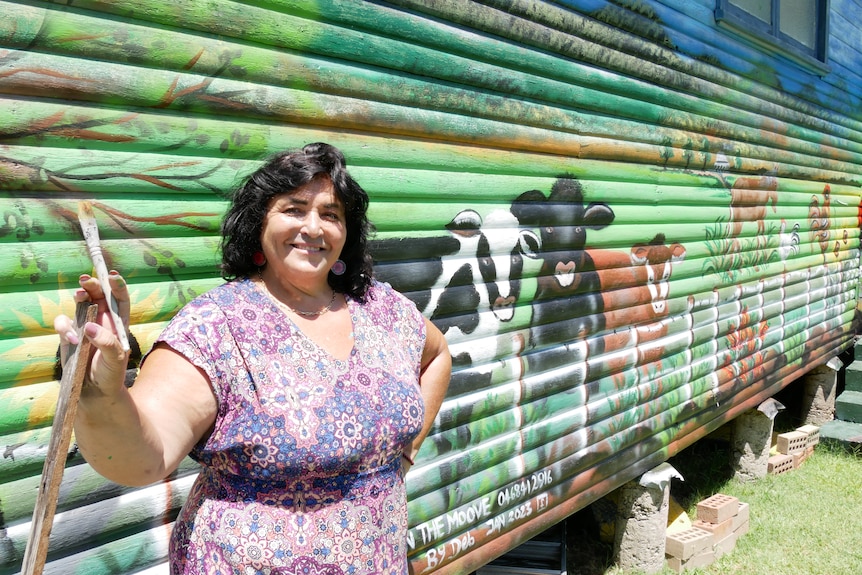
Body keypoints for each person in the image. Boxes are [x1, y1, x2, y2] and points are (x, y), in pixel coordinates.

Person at [54, 142, 452, 575]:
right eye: (294, 210)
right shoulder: (218, 325)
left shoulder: (381, 309)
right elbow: (140, 459)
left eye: (331, 214)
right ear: (258, 225)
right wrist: (100, 393)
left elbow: (436, 356)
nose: (314, 228)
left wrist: (402, 457)